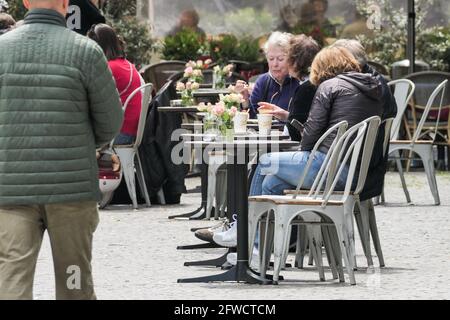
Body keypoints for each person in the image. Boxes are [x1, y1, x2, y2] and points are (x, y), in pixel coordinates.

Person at [0, 0, 123, 300]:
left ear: (26, 2)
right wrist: (82, 144)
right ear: (66, 4)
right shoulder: (86, 51)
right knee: (74, 279)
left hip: (11, 188)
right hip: (72, 192)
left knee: (12, 278)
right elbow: (111, 121)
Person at [214, 46, 384, 248]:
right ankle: (259, 250)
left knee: (265, 161)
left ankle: (243, 231)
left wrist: (306, 133)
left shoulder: (329, 87)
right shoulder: (371, 88)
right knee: (272, 182)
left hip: (330, 168)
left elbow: (309, 138)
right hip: (356, 173)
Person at [332, 39, 397, 201]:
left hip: (356, 166)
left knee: (272, 169)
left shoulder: (364, 88)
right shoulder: (374, 81)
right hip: (367, 163)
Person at [87, 23, 144, 145]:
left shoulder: (109, 67)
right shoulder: (125, 63)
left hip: (119, 133)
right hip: (131, 129)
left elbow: (91, 97)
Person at [257, 34, 321, 141]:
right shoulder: (313, 83)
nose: (278, 64)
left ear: (295, 62)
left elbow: (295, 135)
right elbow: (303, 120)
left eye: (285, 58)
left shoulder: (306, 88)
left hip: (305, 150)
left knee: (264, 157)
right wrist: (288, 116)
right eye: (271, 59)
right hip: (319, 148)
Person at [243, 31, 300, 118]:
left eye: (280, 59)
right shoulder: (262, 81)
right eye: (271, 58)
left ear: (291, 59)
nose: (275, 64)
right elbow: (252, 118)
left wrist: (286, 117)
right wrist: (245, 101)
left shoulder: (300, 82)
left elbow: (305, 121)